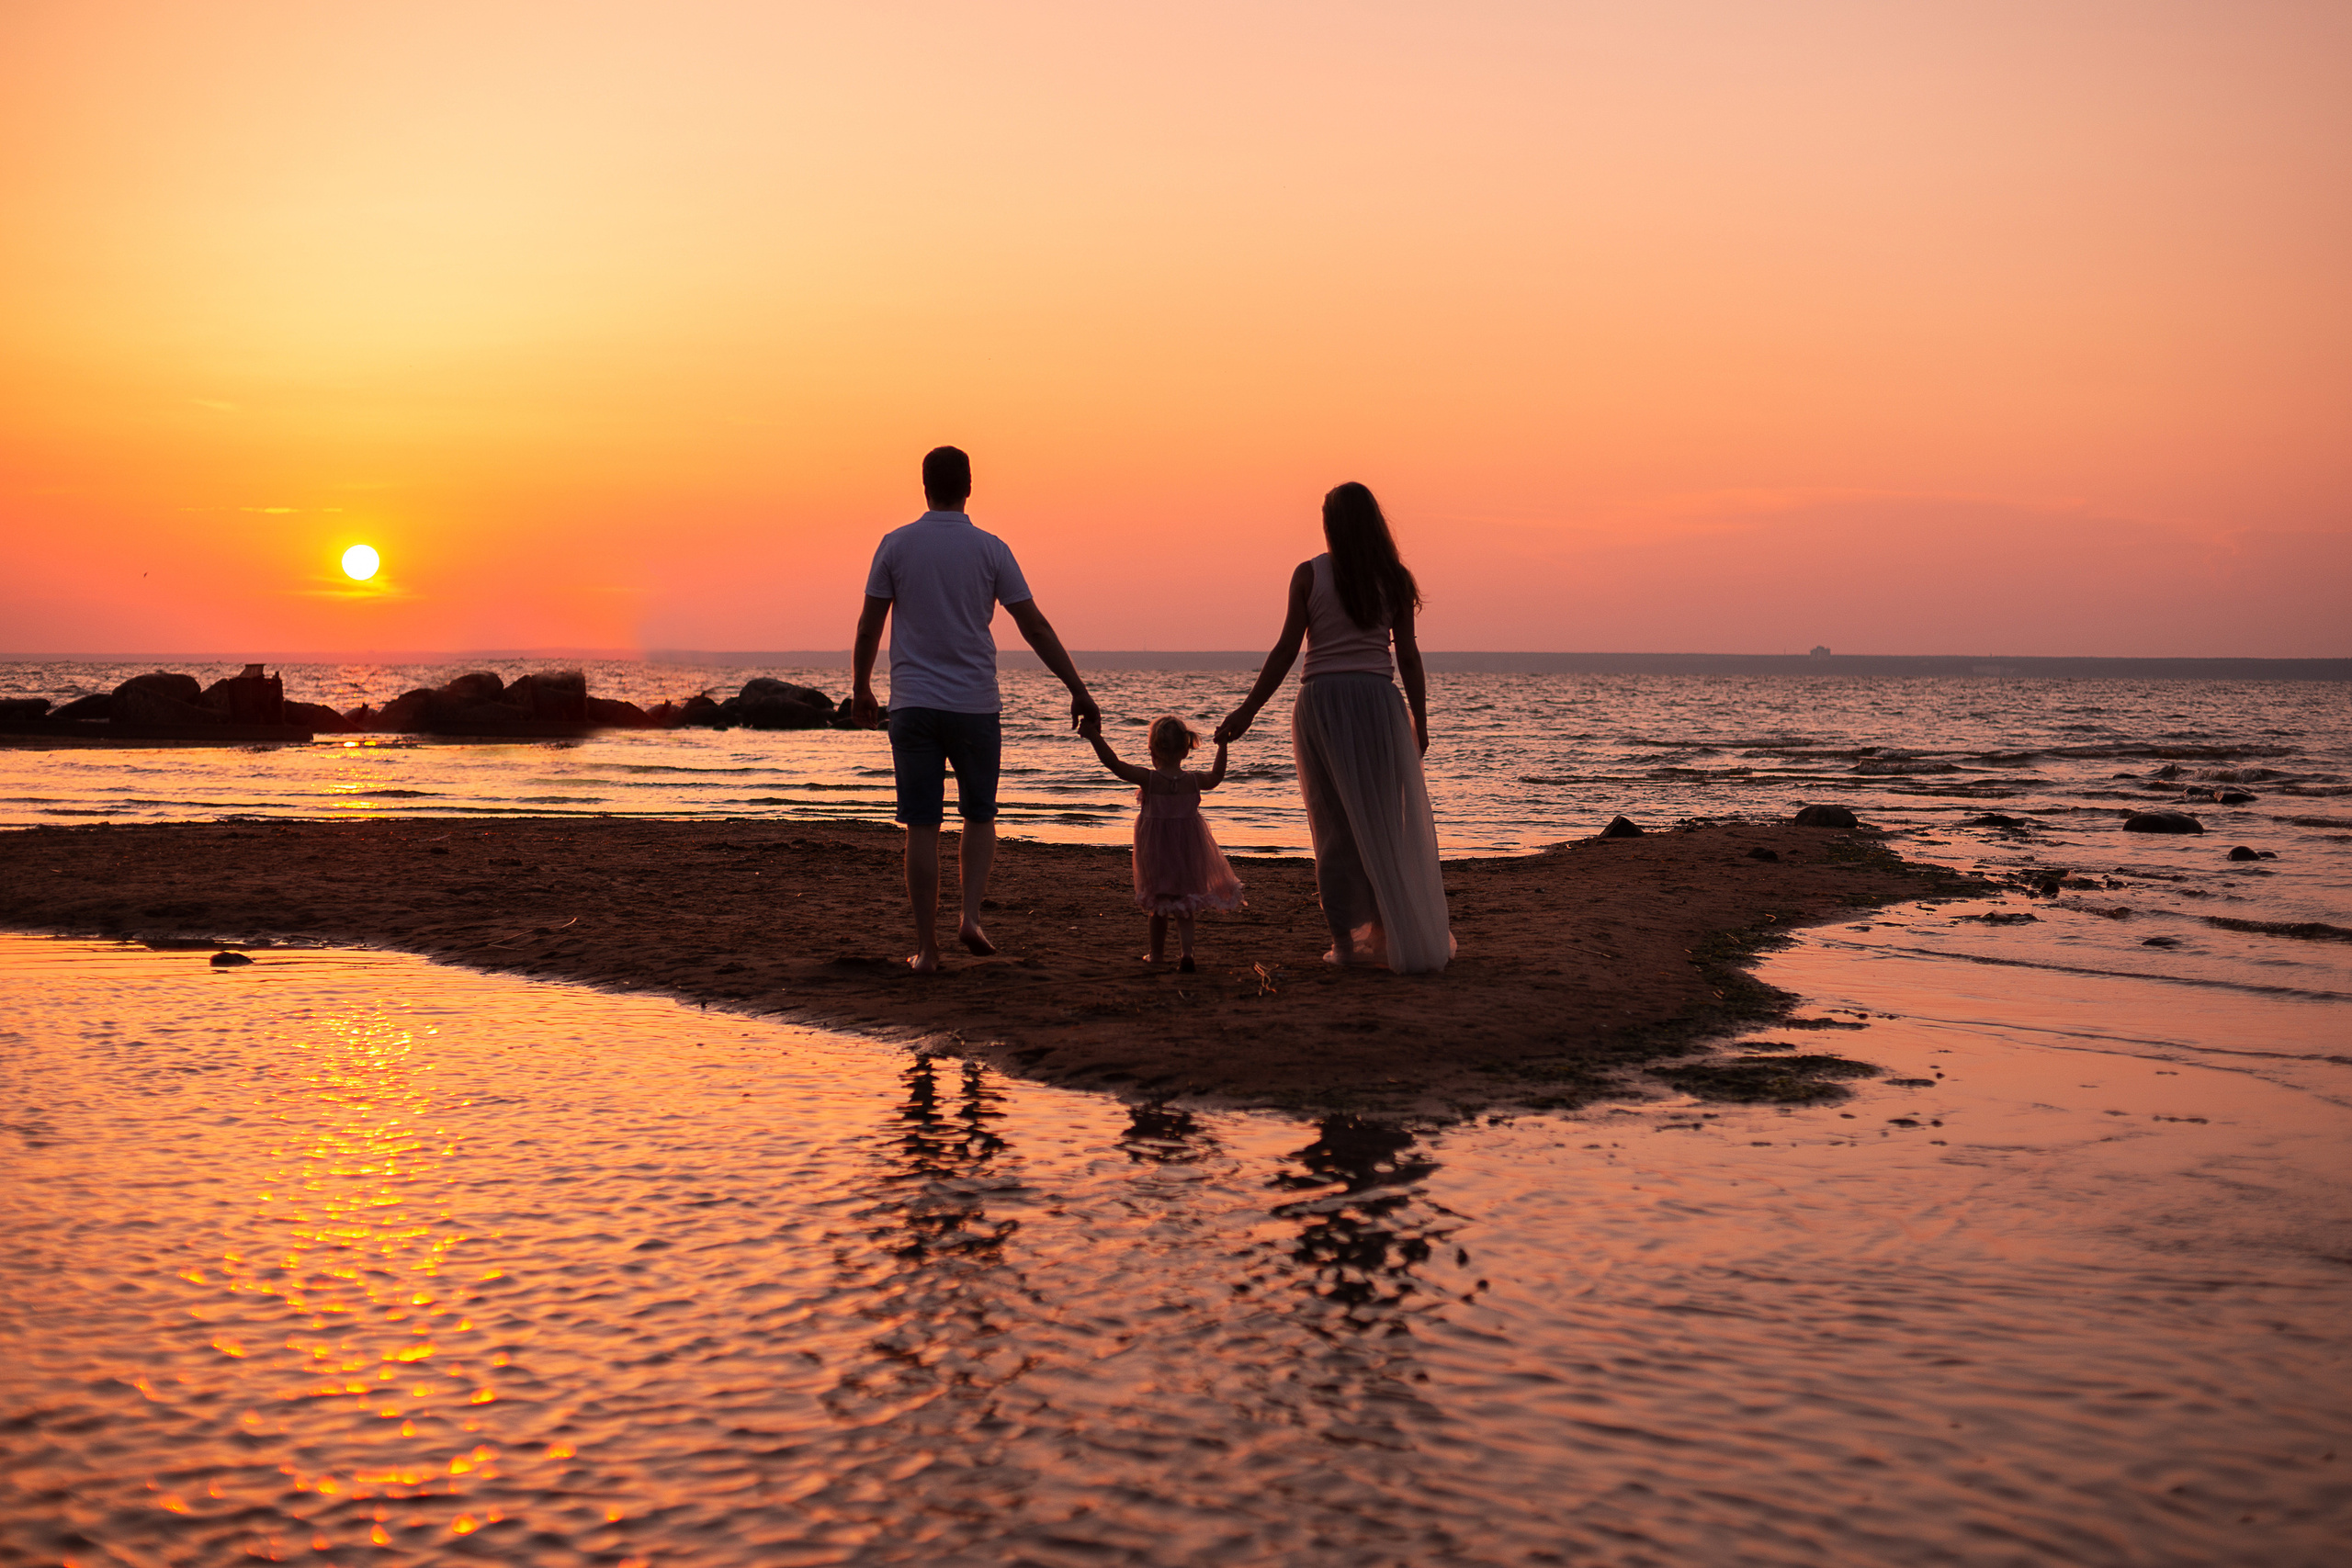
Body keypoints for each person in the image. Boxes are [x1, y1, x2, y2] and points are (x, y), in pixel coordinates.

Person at [853, 446, 1099, 973]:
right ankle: (969, 916)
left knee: (922, 825)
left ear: (924, 487)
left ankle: (927, 949)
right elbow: (1034, 626)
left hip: (914, 704)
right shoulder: (992, 550)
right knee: (979, 815)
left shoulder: (895, 545)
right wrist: (1076, 687)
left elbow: (869, 625)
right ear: (969, 487)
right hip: (974, 706)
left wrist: (861, 687)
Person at [1214, 482, 1452, 973]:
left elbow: (1286, 651)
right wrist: (1420, 719)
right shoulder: (1394, 577)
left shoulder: (1309, 574)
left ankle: (1345, 943)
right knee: (1385, 820)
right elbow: (1406, 655)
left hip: (1322, 704)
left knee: (1333, 829)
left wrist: (1247, 712)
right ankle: (1386, 933)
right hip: (1378, 704)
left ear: (1332, 524)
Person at [1079, 713, 1245, 972]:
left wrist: (1094, 737)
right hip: (1190, 850)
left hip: (1156, 852)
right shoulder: (1194, 780)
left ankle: (1156, 955)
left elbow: (1114, 764)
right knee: (1185, 902)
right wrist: (1223, 746)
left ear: (1152, 750)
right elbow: (1217, 776)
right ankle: (1186, 954)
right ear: (1186, 750)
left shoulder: (1150, 779)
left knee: (1159, 903)